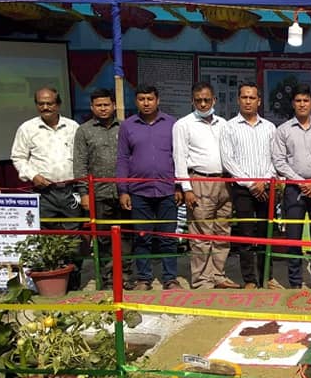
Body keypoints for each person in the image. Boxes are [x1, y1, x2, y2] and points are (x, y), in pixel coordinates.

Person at [11, 86, 83, 289]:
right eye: (41, 103)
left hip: (70, 190)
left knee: (73, 236)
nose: (45, 107)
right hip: (44, 192)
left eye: (49, 103)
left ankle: (73, 280)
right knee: (47, 236)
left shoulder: (72, 127)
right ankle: (53, 278)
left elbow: (81, 157)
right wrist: (33, 175)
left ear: (58, 104)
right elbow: (18, 157)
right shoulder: (27, 128)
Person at [173, 82, 238, 290]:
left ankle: (218, 275)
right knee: (201, 234)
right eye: (198, 100)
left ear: (214, 100)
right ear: (192, 101)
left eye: (206, 100)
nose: (203, 104)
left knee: (222, 231)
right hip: (200, 181)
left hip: (224, 182)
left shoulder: (223, 124)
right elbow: (179, 158)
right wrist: (186, 188)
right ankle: (202, 279)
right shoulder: (183, 125)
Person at [116, 85, 181, 290]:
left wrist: (179, 186)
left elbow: (179, 157)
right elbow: (122, 159)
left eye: (150, 99)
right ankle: (144, 278)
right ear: (136, 101)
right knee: (142, 236)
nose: (146, 103)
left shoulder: (172, 124)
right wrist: (123, 190)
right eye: (142, 99)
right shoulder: (127, 126)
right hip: (138, 191)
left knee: (168, 237)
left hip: (167, 189)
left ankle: (170, 278)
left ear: (157, 100)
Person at [273, 84, 311, 289]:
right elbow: (279, 161)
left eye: (305, 100)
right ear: (293, 103)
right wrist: (300, 182)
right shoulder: (283, 130)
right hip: (293, 189)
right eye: (298, 101)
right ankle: (295, 281)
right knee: (293, 236)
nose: (302, 104)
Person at [219, 82, 277, 289]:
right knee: (246, 234)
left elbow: (275, 158)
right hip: (242, 189)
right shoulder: (229, 127)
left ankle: (266, 277)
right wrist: (252, 183)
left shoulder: (269, 128)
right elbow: (228, 161)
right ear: (238, 100)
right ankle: (250, 279)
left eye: (252, 97)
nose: (248, 101)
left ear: (259, 101)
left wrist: (264, 181)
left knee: (265, 233)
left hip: (266, 188)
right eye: (244, 97)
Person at [72, 88, 132, 289]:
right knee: (103, 238)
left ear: (114, 105)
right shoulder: (84, 131)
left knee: (125, 236)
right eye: (99, 105)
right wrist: (84, 193)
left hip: (124, 192)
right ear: (92, 107)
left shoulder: (125, 127)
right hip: (98, 193)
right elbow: (80, 164)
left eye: (106, 104)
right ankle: (107, 278)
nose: (103, 108)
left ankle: (125, 275)